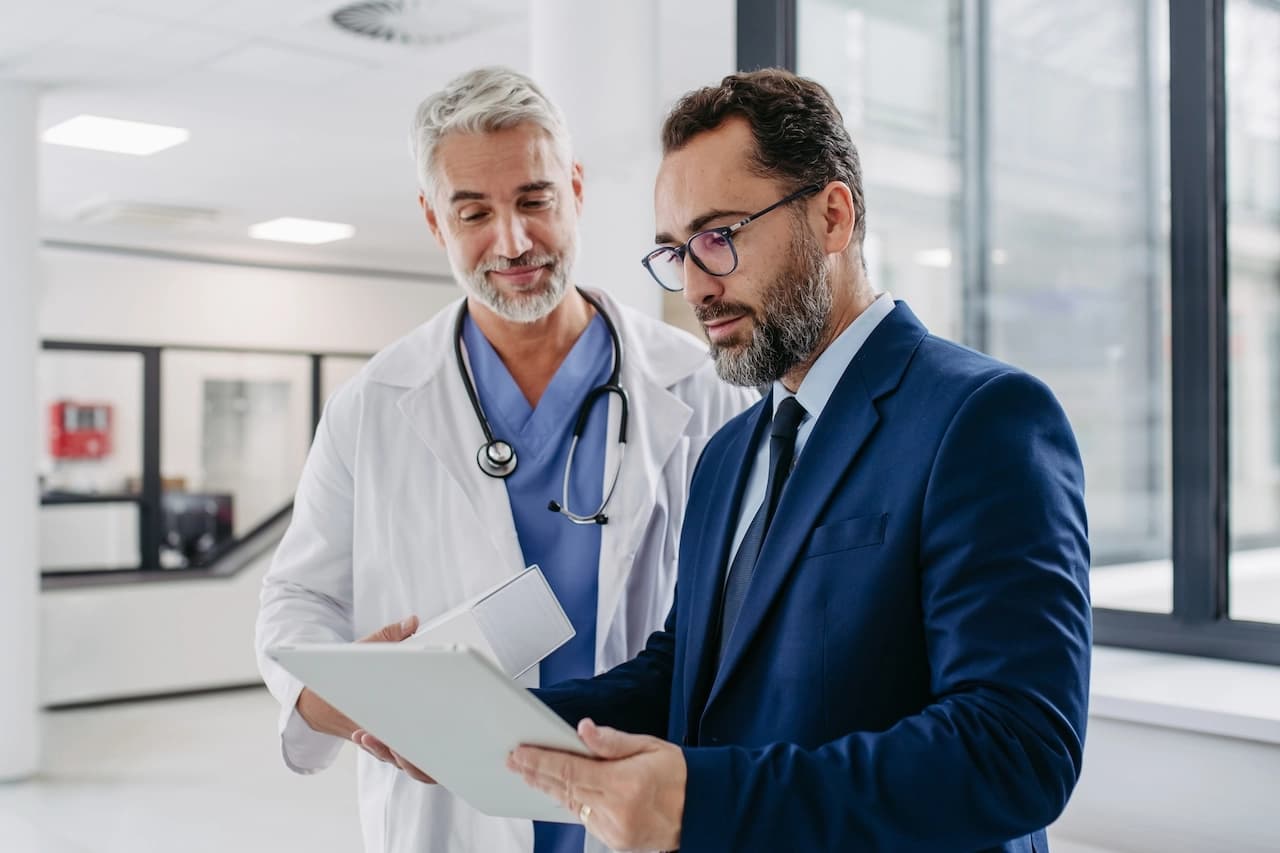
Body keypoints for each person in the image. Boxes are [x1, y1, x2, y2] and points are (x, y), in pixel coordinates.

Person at [506, 69, 1092, 853]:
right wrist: (501, 721)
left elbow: (1016, 749)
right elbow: (685, 671)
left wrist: (706, 797)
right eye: (675, 253)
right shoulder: (724, 455)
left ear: (833, 215)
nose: (697, 286)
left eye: (720, 237)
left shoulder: (982, 418)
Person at [253, 66, 754, 853]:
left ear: (576, 189)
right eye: (474, 211)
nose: (513, 241)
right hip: (450, 811)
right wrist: (344, 696)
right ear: (433, 219)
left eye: (533, 200)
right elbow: (295, 599)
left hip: (644, 798)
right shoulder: (375, 404)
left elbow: (751, 611)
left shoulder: (700, 387)